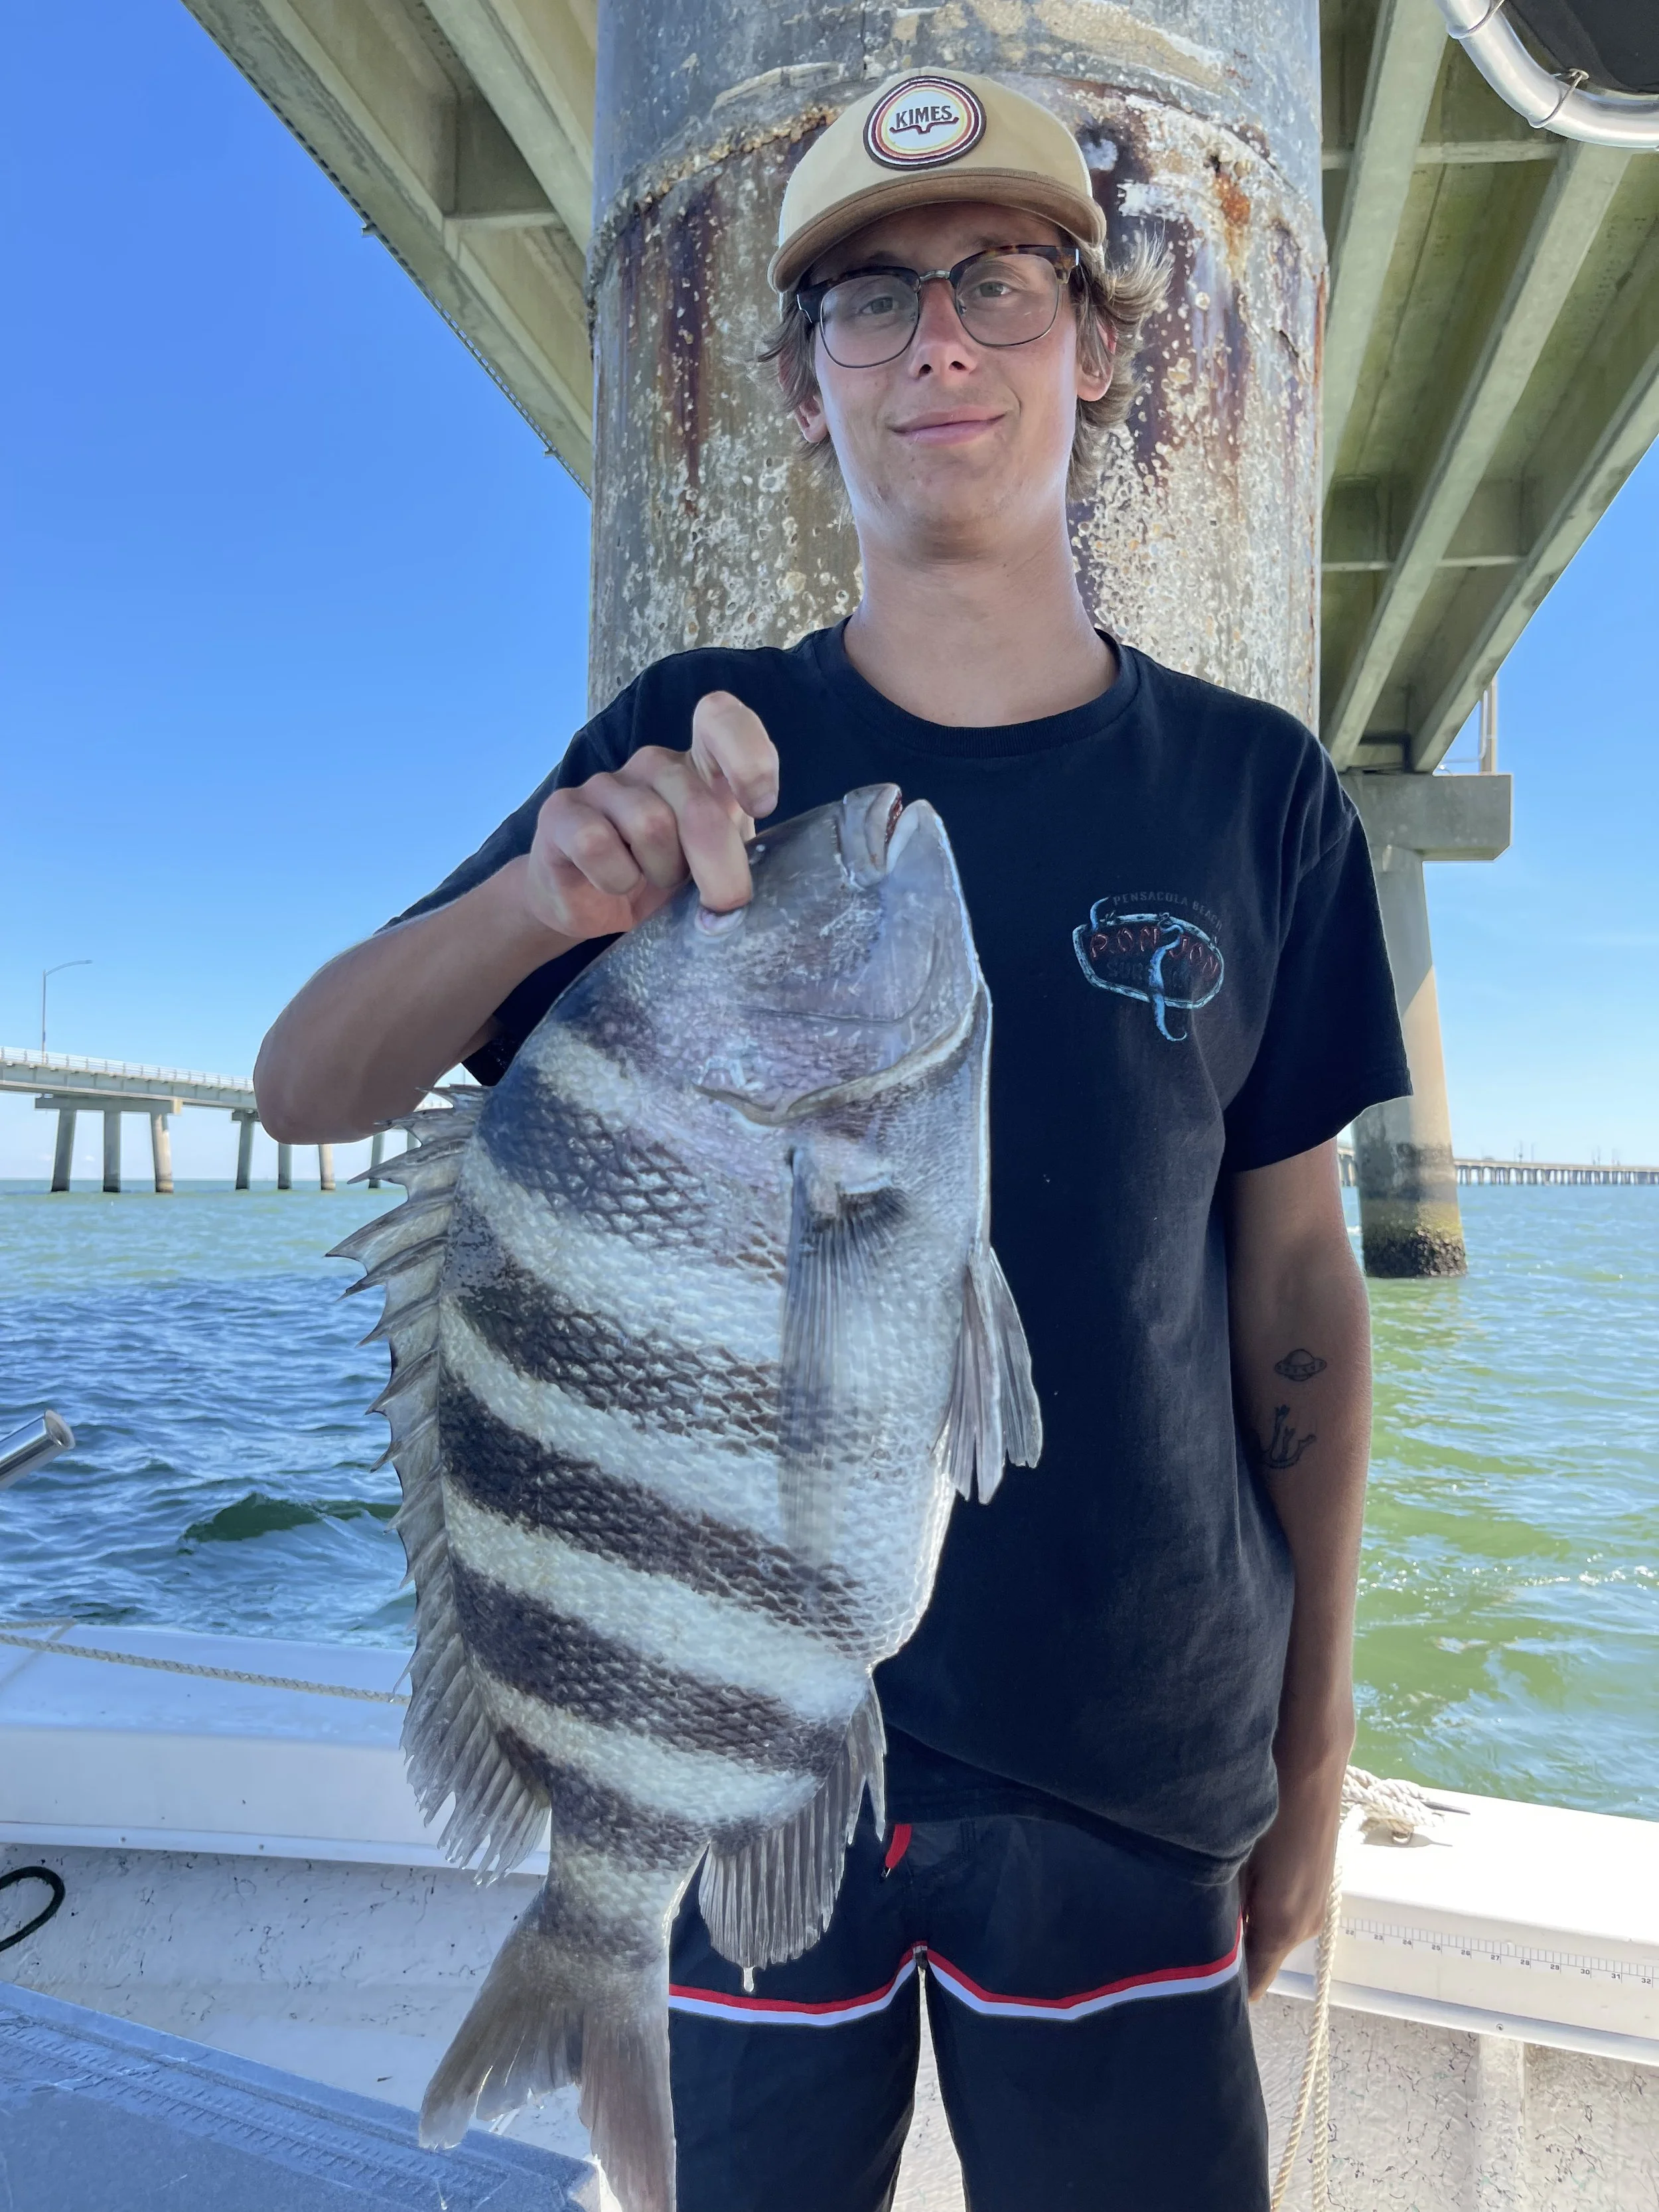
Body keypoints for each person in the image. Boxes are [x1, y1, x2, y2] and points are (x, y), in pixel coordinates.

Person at [257, 68, 1409, 2212]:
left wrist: (1311, 1752)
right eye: (867, 303)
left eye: (995, 281)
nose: (937, 341)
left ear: (1095, 340)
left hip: (1142, 1746)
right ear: (803, 387)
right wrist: (538, 903)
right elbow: (306, 1083)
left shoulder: (1257, 796)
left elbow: (1295, 1291)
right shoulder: (688, 756)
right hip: (720, 1757)